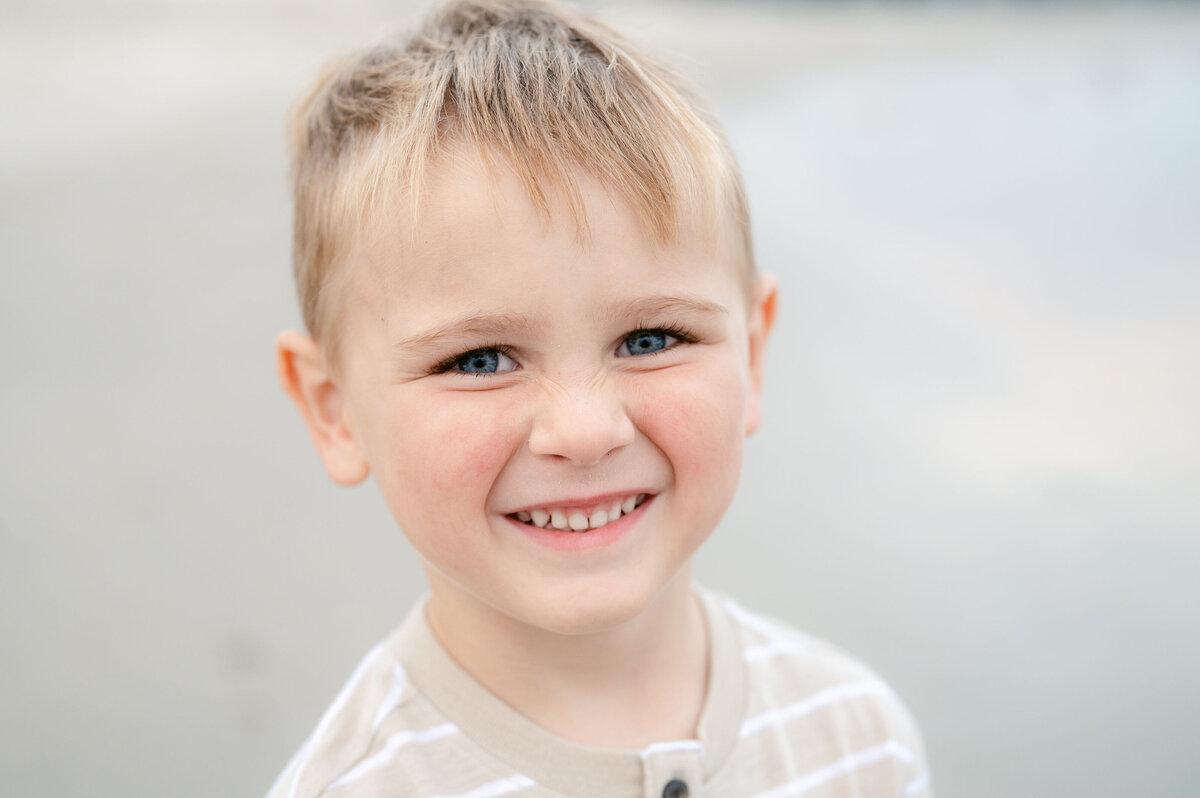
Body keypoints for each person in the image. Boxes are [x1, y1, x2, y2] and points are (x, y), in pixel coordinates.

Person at [268, 1, 931, 796]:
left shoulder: (856, 738)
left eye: (650, 340)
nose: (583, 432)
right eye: (480, 359)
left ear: (752, 354)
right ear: (335, 410)